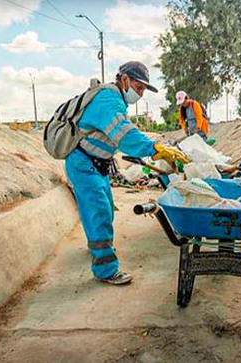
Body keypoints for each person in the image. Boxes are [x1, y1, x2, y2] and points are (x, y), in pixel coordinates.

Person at [65, 61, 189, 285]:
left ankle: (95, 243)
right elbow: (125, 136)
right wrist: (154, 148)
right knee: (99, 212)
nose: (140, 94)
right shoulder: (108, 99)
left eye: (143, 90)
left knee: (104, 209)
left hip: (95, 165)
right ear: (124, 80)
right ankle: (105, 269)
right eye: (138, 87)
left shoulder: (116, 101)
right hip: (84, 164)